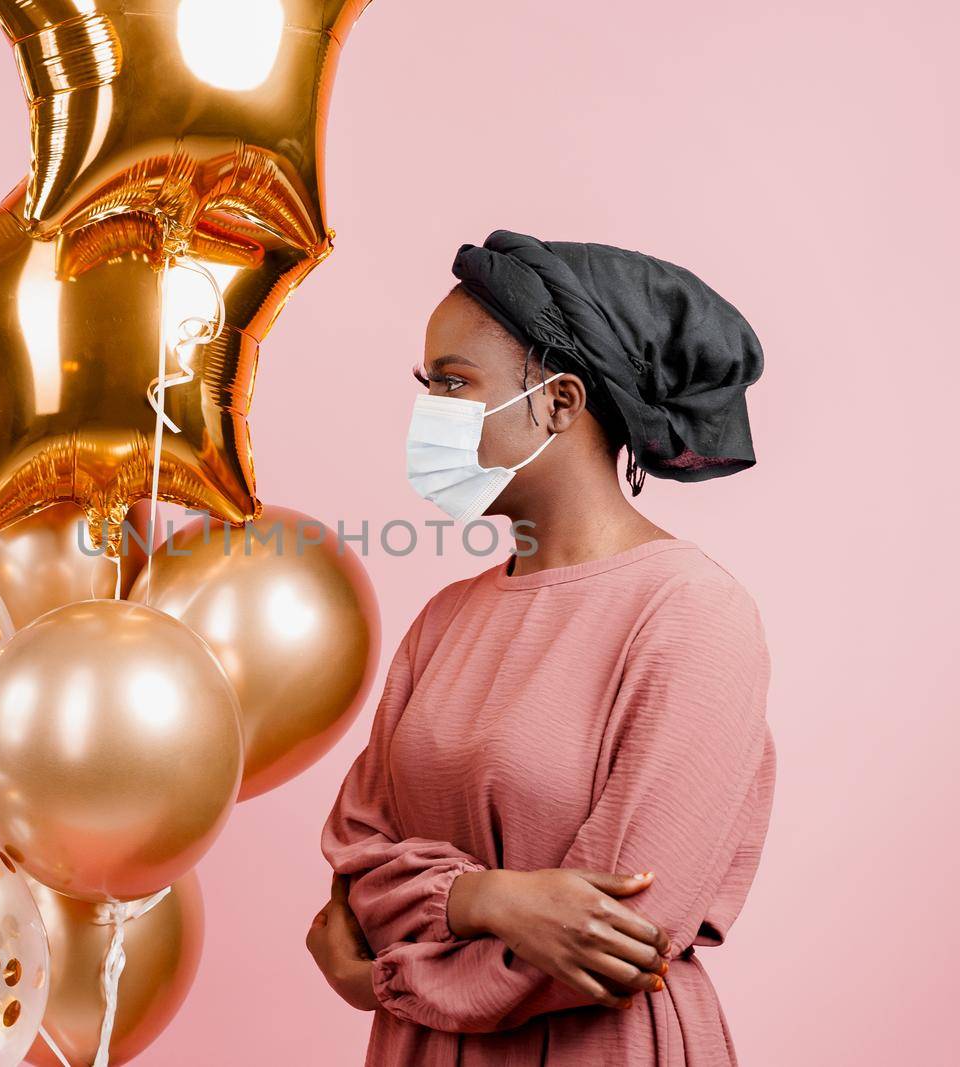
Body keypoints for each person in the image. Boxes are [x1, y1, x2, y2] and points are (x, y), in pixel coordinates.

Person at [307, 230, 776, 1065]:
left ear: (559, 403)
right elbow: (355, 862)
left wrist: (402, 963)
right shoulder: (445, 618)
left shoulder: (692, 613)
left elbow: (620, 939)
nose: (429, 414)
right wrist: (493, 900)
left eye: (453, 383)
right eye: (428, 386)